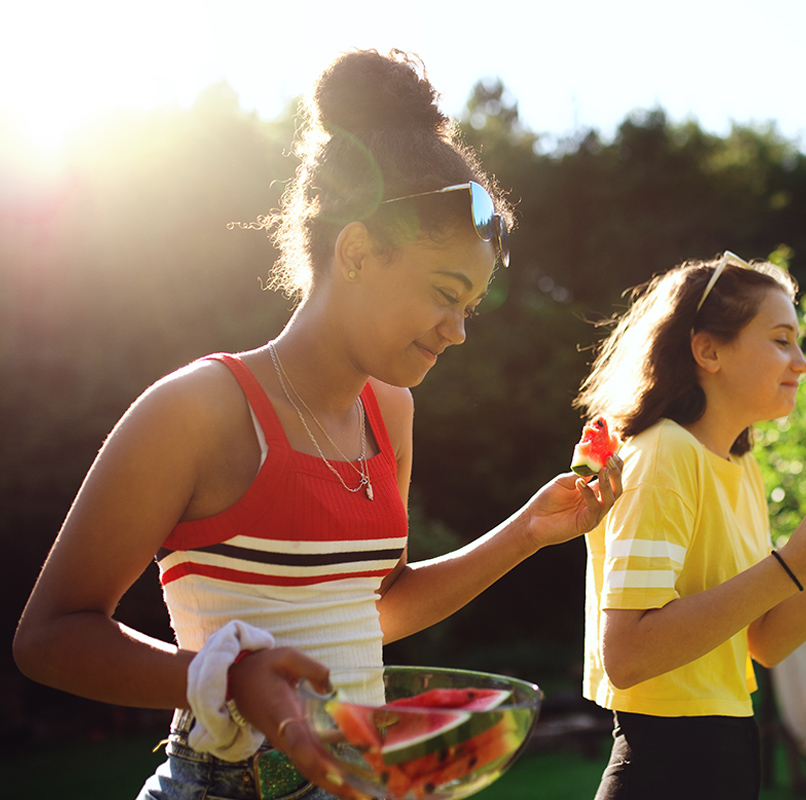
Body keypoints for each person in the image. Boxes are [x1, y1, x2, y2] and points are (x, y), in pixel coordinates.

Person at [12, 49, 622, 800]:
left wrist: (529, 530)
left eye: (469, 306)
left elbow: (372, 605)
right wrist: (229, 678)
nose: (458, 331)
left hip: (361, 783)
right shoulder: (198, 410)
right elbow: (51, 636)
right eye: (444, 294)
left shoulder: (389, 409)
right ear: (359, 251)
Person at [574, 251, 806, 799]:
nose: (802, 363)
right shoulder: (664, 453)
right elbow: (628, 656)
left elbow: (766, 641)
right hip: (666, 766)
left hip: (730, 751)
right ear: (709, 350)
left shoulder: (740, 466)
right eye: (782, 340)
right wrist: (792, 563)